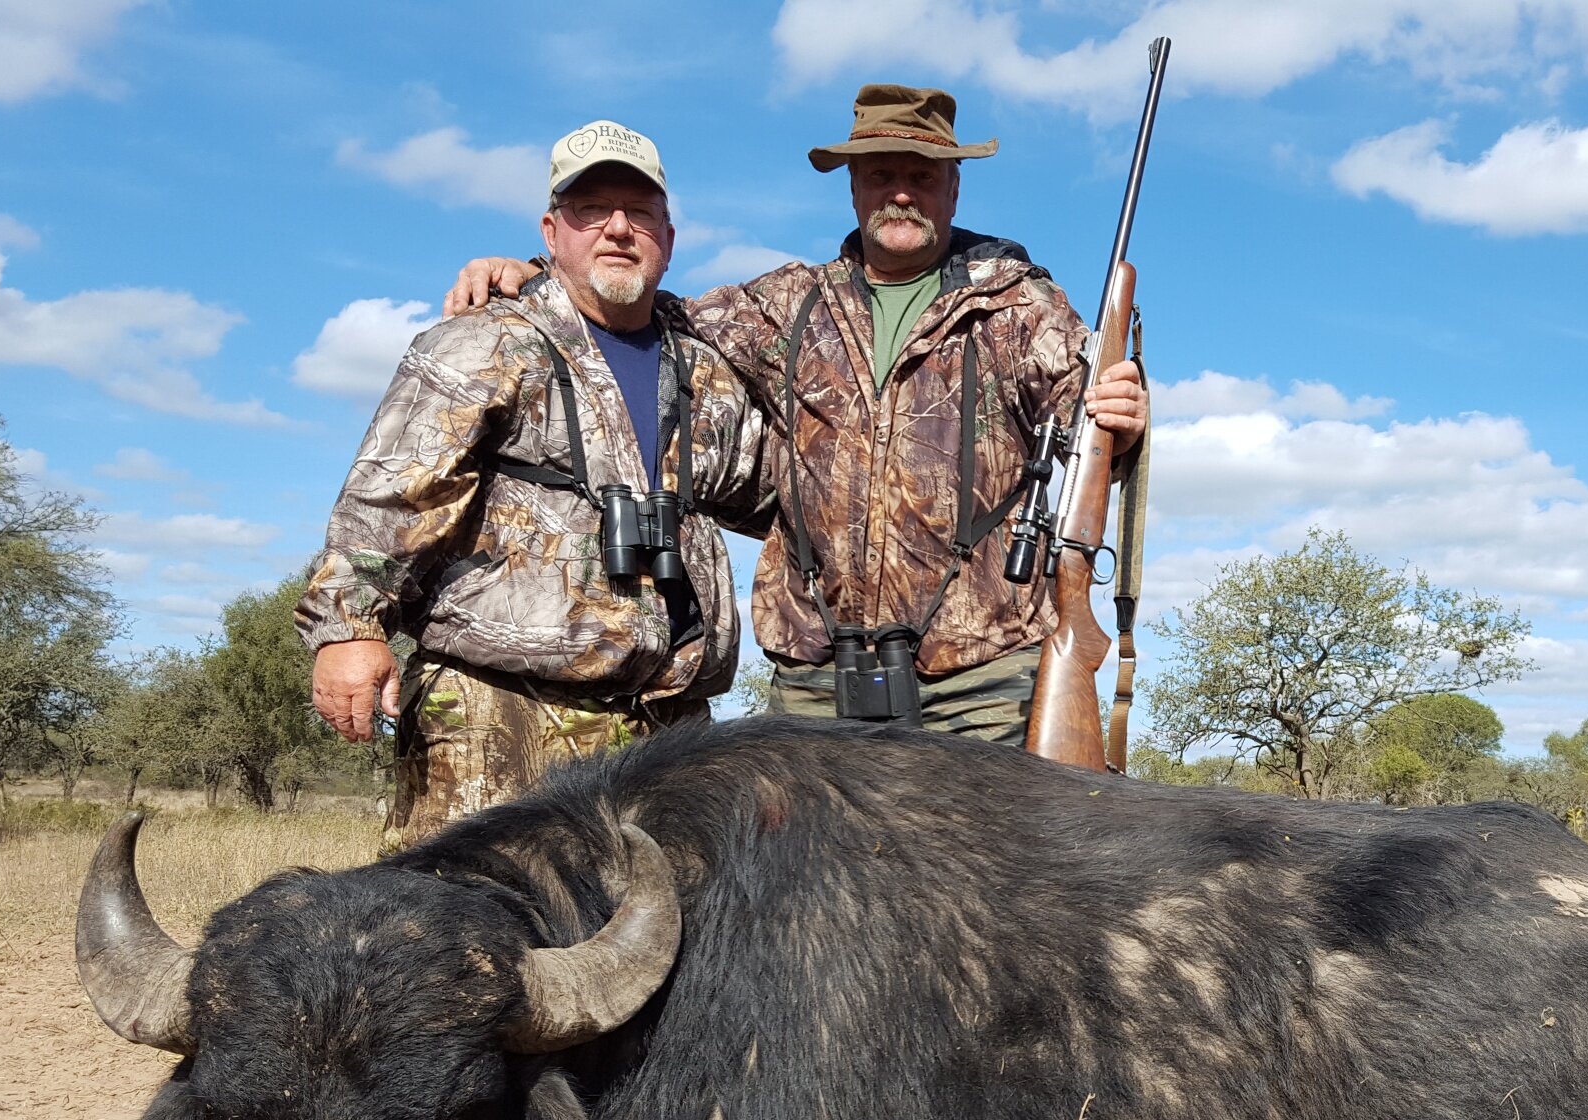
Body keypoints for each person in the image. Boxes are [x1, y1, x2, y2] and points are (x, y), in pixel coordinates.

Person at [445, 85, 1149, 744]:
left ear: (953, 188)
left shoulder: (1021, 305)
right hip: (818, 670)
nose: (900, 192)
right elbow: (648, 307)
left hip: (984, 679)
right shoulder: (788, 303)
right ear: (852, 187)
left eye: (922, 175)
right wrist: (539, 274)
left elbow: (1085, 421)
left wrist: (1122, 417)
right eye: (880, 175)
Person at [300, 120, 764, 843]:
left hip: (666, 722)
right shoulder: (482, 342)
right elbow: (389, 499)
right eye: (591, 212)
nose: (617, 230)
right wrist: (346, 629)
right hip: (499, 708)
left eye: (639, 213)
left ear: (667, 239)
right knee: (471, 932)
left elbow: (778, 495)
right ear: (552, 233)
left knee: (670, 939)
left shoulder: (706, 373)